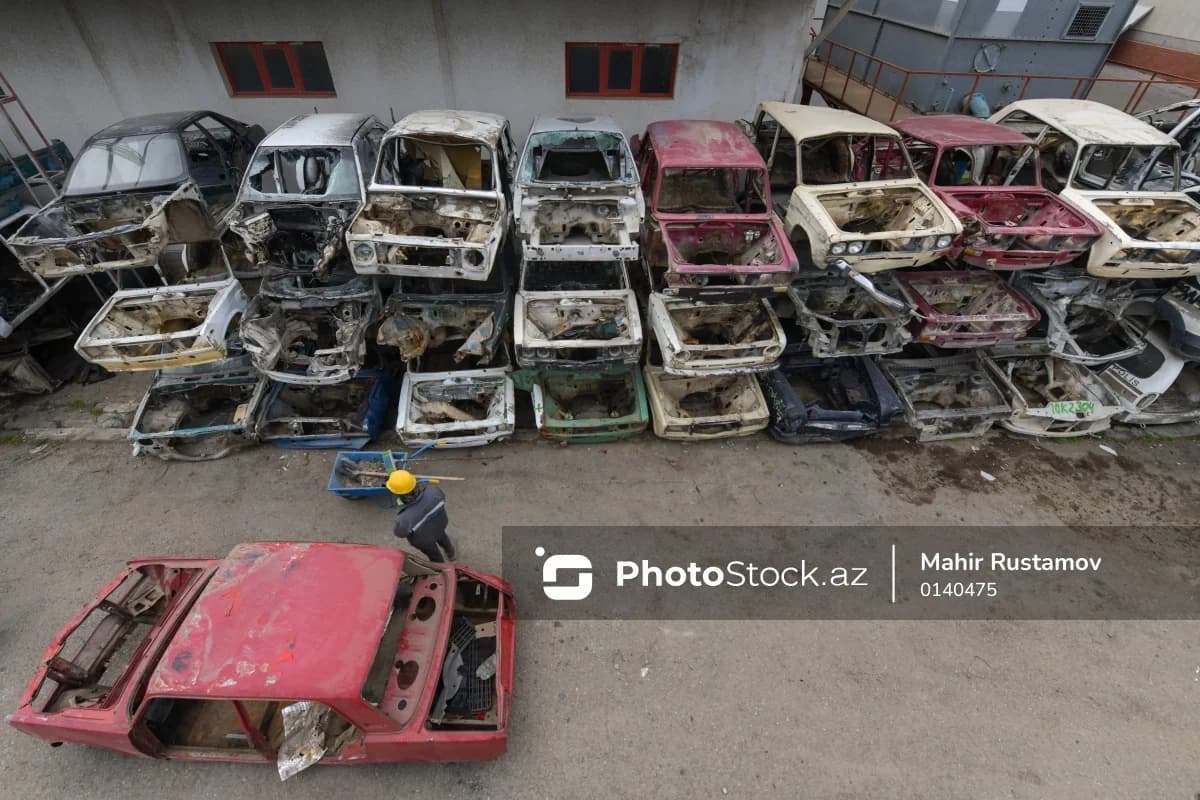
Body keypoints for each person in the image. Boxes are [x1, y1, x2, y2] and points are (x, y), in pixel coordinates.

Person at [386, 470, 456, 562]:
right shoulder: (434, 491)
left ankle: (441, 566)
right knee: (444, 538)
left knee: (434, 554)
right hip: (440, 526)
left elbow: (400, 533)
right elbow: (442, 498)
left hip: (424, 540)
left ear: (396, 494)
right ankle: (451, 554)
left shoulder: (404, 519)